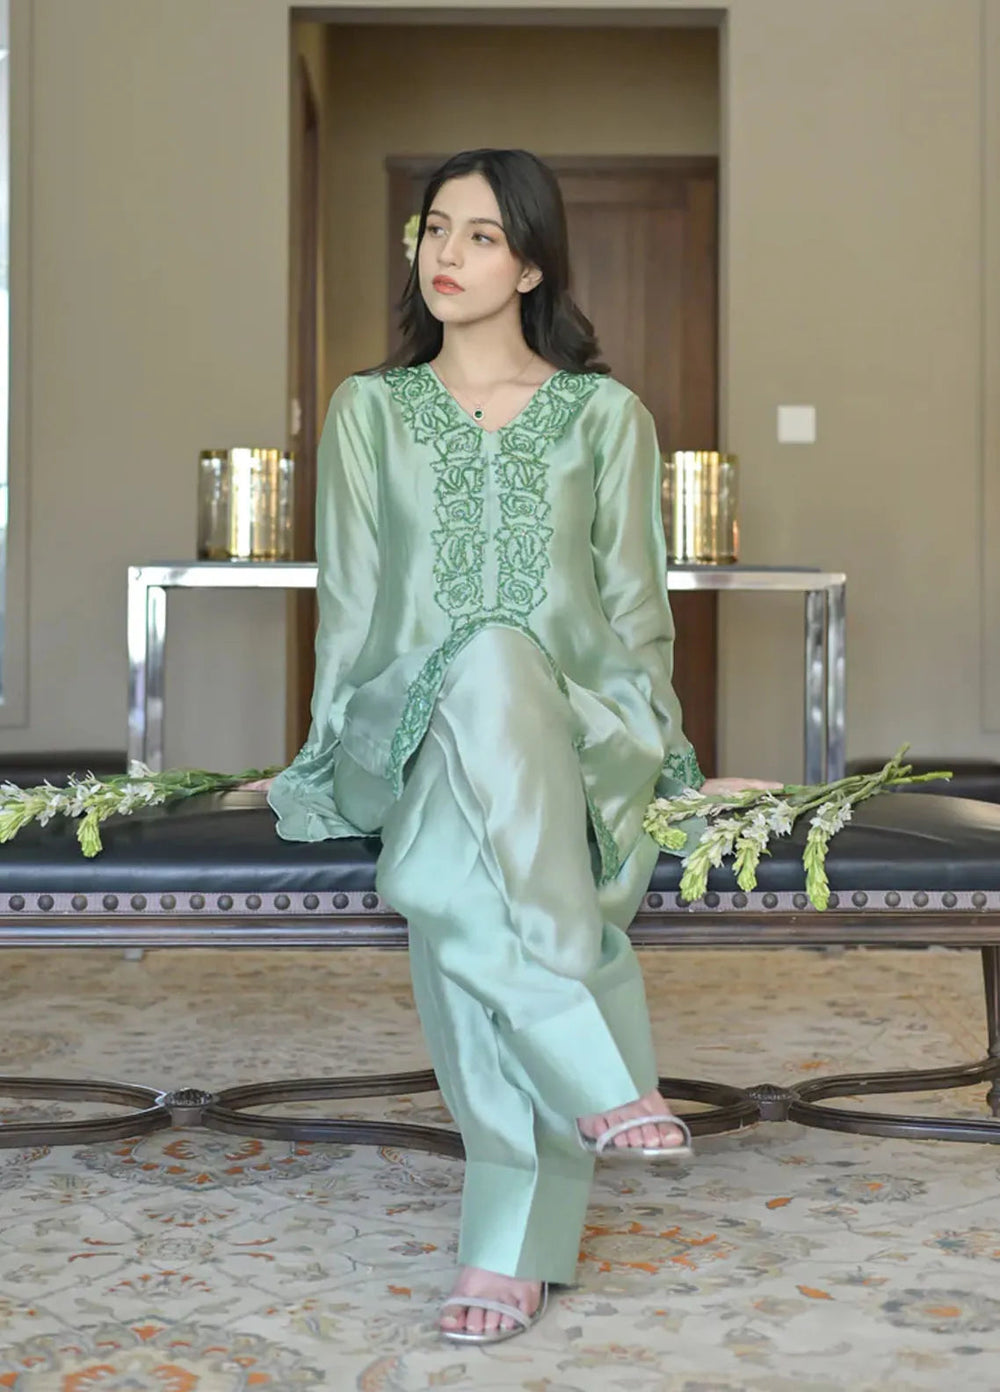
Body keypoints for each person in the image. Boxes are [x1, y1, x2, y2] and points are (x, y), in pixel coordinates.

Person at [246, 148, 777, 1344]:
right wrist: (325, 752)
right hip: (406, 721)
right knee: (469, 688)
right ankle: (589, 1071)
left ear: (531, 264)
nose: (447, 253)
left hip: (577, 726)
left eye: (481, 235)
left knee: (454, 856)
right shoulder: (369, 410)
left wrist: (672, 764)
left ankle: (522, 1197)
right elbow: (351, 607)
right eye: (435, 229)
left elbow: (636, 611)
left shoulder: (606, 417)